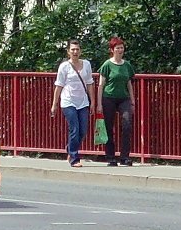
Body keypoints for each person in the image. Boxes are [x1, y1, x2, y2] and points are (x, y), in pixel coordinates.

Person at [51, 39, 96, 167]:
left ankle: (70, 148)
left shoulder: (86, 64)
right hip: (68, 101)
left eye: (77, 49)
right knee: (74, 128)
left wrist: (93, 102)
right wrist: (54, 104)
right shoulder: (64, 66)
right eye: (72, 50)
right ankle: (74, 158)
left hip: (83, 101)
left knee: (83, 130)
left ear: (80, 51)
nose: (75, 52)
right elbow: (59, 86)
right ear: (68, 52)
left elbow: (90, 84)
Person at [97, 36, 136, 166]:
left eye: (121, 47)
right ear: (112, 50)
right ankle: (110, 157)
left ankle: (125, 157)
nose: (120, 50)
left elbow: (129, 83)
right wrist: (99, 104)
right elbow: (101, 85)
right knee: (109, 127)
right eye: (117, 48)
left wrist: (132, 101)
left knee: (126, 125)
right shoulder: (107, 65)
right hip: (109, 97)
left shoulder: (127, 65)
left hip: (123, 97)